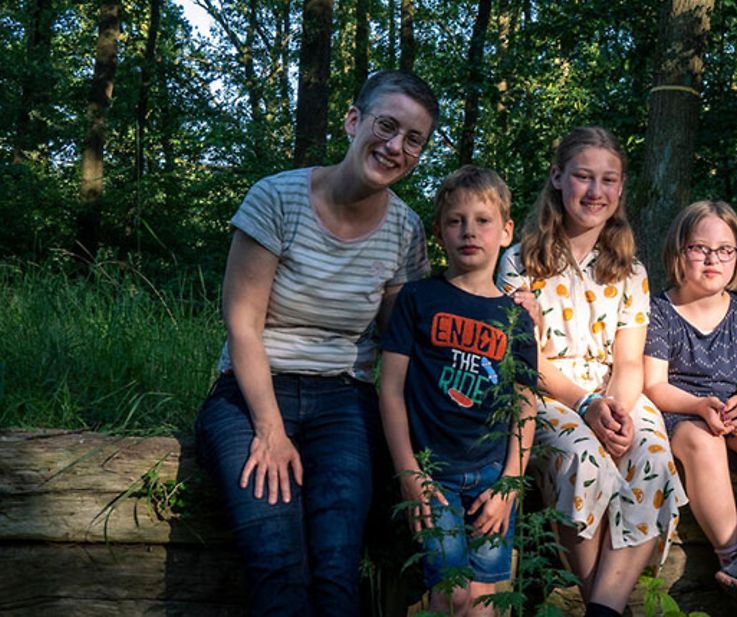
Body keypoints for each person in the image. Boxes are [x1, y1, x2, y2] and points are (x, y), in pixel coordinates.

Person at [193, 70, 439, 616]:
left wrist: (504, 303)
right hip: (249, 393)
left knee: (335, 567)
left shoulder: (405, 230)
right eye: (387, 125)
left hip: (344, 401)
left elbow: (402, 341)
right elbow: (242, 326)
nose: (396, 145)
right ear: (354, 121)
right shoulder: (276, 198)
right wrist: (271, 430)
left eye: (413, 139)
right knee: (278, 561)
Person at [497, 126, 687, 617]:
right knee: (582, 456)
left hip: (614, 390)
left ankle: (602, 609)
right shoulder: (517, 262)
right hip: (546, 393)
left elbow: (628, 361)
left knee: (650, 449)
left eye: (608, 180)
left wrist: (616, 411)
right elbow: (525, 359)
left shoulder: (630, 270)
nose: (595, 191)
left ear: (621, 189)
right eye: (583, 177)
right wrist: (586, 407)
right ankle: (607, 607)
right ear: (559, 178)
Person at [378, 166, 537, 616]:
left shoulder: (516, 316)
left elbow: (525, 402)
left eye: (483, 221)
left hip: (490, 474)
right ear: (439, 233)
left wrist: (510, 482)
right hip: (433, 475)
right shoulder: (418, 299)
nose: (470, 231)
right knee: (452, 593)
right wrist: (409, 472)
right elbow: (389, 388)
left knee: (484, 600)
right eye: (456, 221)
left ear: (506, 232)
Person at [642, 200, 737, 611]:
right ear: (679, 252)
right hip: (683, 413)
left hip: (733, 411)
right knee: (704, 441)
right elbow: (654, 385)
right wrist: (697, 405)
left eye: (724, 250)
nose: (713, 259)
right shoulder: (660, 311)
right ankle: (730, 558)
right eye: (700, 248)